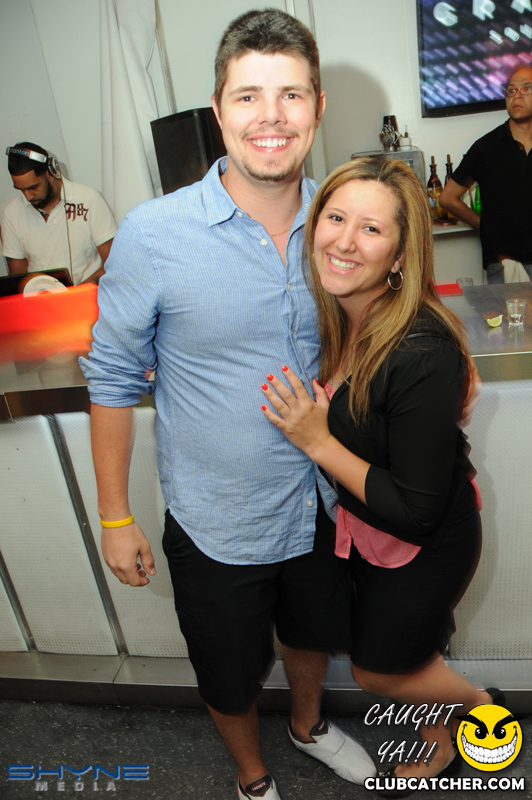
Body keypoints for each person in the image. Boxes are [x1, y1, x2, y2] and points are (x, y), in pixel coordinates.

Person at [79, 9, 375, 800]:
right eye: (248, 96)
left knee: (312, 637)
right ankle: (251, 776)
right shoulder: (154, 235)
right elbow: (111, 379)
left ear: (317, 107)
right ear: (219, 110)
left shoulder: (344, 223)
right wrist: (114, 517)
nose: (270, 117)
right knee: (229, 667)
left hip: (321, 501)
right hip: (217, 520)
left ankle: (307, 727)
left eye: (290, 95)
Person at [261, 156, 502, 794]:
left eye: (370, 229)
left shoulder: (420, 348)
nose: (344, 241)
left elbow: (418, 510)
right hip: (371, 533)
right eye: (335, 218)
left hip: (425, 541)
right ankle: (439, 737)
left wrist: (317, 441)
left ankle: (482, 708)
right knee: (412, 650)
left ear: (400, 254)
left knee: (378, 669)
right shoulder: (344, 313)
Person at [440, 65, 532, 284]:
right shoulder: (486, 147)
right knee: (506, 310)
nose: (517, 95)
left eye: (526, 88)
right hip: (504, 262)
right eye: (511, 90)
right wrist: (485, 226)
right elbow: (447, 198)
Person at [2, 142, 117, 285]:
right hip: (41, 297)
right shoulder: (12, 214)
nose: (28, 196)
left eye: (33, 187)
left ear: (50, 173)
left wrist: (73, 294)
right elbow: (17, 274)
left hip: (87, 293)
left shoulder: (89, 199)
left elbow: (113, 262)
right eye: (21, 189)